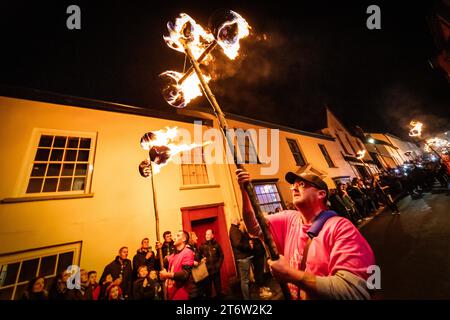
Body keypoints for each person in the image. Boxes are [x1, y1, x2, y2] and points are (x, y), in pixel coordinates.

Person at [236, 168, 375, 300]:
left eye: (302, 184)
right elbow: (253, 226)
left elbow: (353, 291)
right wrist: (245, 191)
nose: (294, 188)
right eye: (293, 185)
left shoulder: (340, 228)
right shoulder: (289, 218)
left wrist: (290, 274)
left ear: (321, 194)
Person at [159, 230, 195, 300]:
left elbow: (185, 274)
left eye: (178, 236)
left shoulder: (187, 252)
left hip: (181, 292)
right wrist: (159, 249)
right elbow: (163, 263)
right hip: (170, 292)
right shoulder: (173, 255)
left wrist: (167, 275)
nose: (174, 238)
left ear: (184, 239)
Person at [229, 217, 253, 300]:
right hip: (242, 258)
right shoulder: (234, 230)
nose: (239, 221)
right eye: (238, 220)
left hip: (243, 257)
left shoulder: (235, 229)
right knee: (245, 281)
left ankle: (248, 297)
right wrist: (248, 246)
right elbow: (238, 244)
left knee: (245, 280)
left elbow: (240, 242)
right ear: (235, 221)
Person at [198, 229, 224, 299]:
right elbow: (198, 256)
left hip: (216, 270)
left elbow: (221, 255)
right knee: (208, 291)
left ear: (212, 235)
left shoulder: (216, 244)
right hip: (207, 271)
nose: (207, 236)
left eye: (208, 234)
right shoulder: (202, 245)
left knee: (218, 289)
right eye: (206, 234)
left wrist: (218, 265)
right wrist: (201, 260)